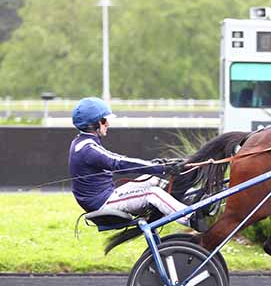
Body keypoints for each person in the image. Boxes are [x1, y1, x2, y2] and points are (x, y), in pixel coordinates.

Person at [68, 97, 197, 229]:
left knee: (153, 180)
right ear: (93, 124)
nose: (108, 124)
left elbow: (117, 160)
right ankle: (191, 218)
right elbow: (119, 163)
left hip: (107, 196)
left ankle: (195, 196)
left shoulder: (82, 142)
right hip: (103, 203)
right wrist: (161, 168)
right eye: (104, 120)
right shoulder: (87, 148)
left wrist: (154, 165)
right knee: (152, 193)